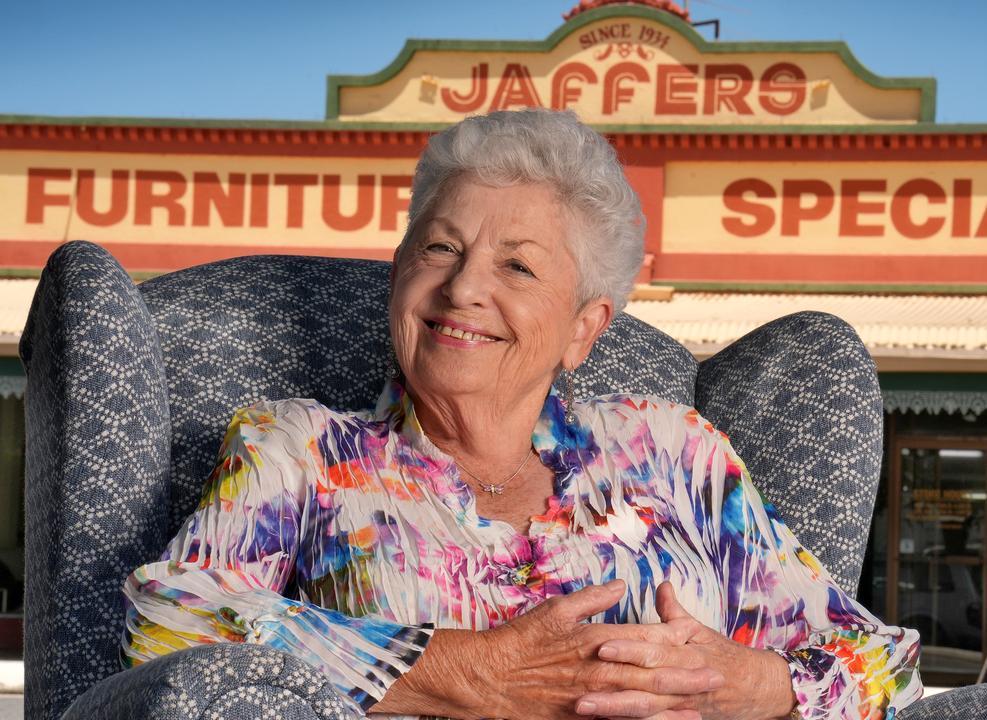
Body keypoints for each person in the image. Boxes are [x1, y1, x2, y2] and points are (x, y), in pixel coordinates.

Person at [121, 108, 921, 720]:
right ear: (399, 274)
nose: (464, 287)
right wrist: (462, 672)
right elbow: (167, 619)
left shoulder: (672, 452)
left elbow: (890, 666)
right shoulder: (301, 450)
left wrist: (745, 683)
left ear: (583, 328)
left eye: (517, 265)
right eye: (439, 249)